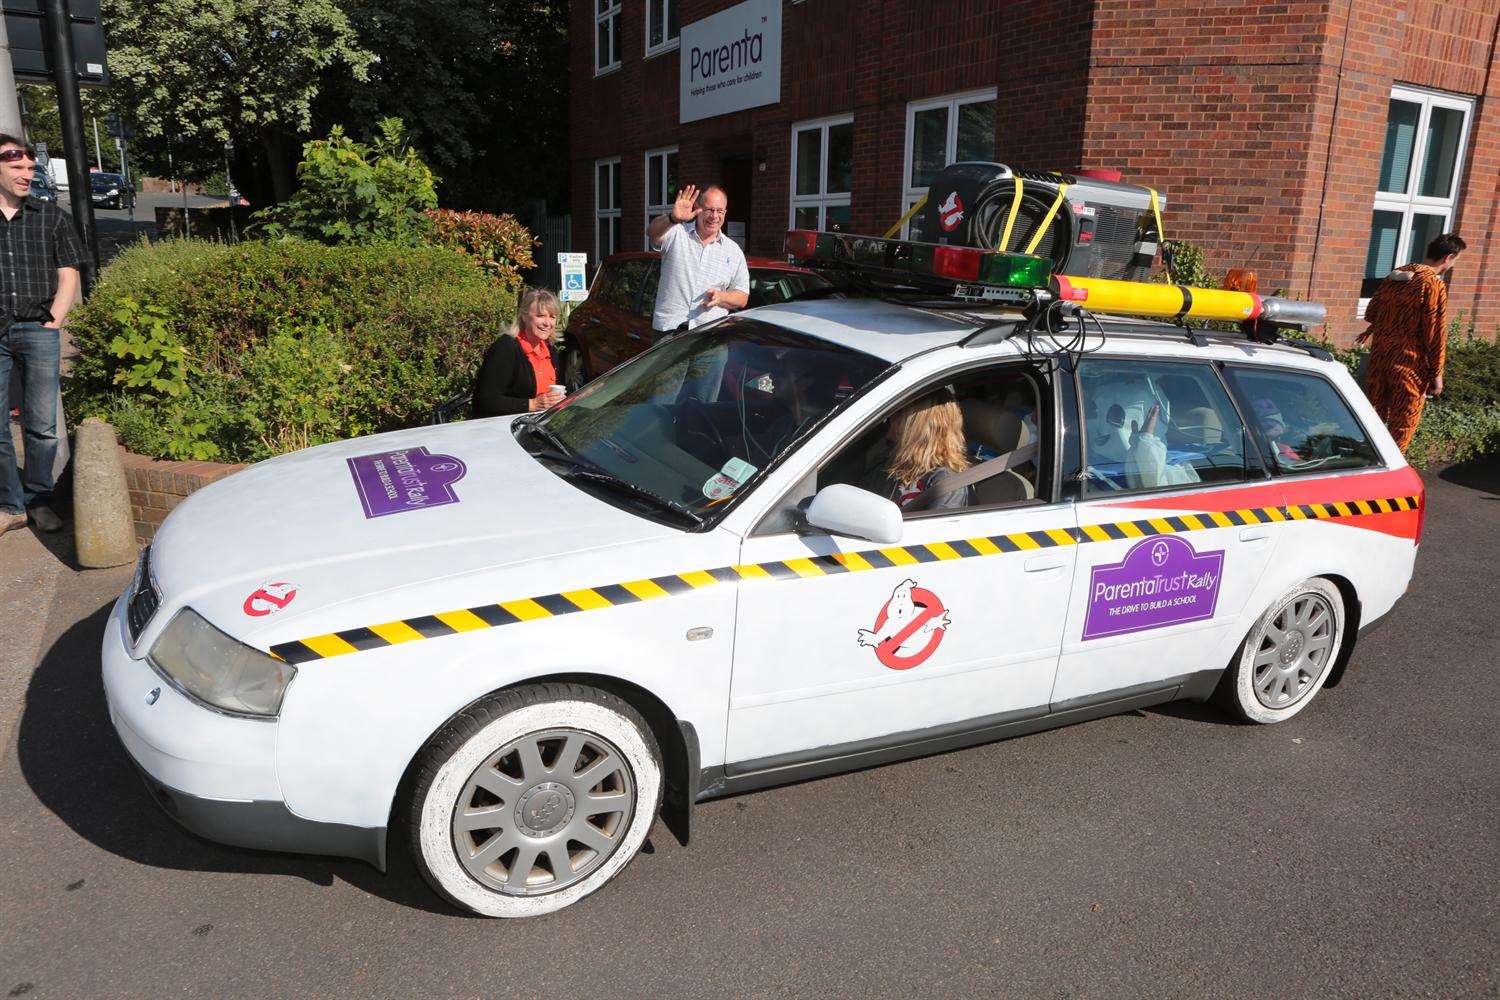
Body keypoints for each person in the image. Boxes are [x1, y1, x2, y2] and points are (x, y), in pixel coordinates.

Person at [0, 134, 85, 538]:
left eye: (30, 168)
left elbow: (69, 271)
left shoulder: (50, 216)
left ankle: (38, 500)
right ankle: (11, 505)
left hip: (38, 328)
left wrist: (57, 317)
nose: (26, 175)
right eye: (17, 168)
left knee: (42, 424)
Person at [1357, 232, 1466, 451]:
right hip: (1408, 365)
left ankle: (1364, 467)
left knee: (1371, 421)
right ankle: (1391, 475)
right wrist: (1437, 375)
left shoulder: (1396, 276)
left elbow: (1371, 313)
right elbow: (1435, 334)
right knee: (1403, 425)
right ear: (1449, 257)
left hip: (1380, 359)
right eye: (1455, 261)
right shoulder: (1432, 284)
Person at [646, 183, 750, 336]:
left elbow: (742, 296)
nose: (714, 216)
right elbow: (651, 232)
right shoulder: (676, 233)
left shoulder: (733, 251)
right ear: (698, 208)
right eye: (709, 210)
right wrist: (672, 218)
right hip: (670, 334)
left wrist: (722, 297)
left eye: (720, 211)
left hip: (710, 338)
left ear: (725, 212)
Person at [473, 288, 566, 418]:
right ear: (524, 316)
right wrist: (532, 404)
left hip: (541, 424)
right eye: (540, 316)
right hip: (507, 427)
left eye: (552, 317)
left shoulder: (550, 349)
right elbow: (485, 400)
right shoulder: (506, 348)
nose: (547, 323)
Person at [884, 393, 971, 513]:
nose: (891, 419)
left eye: (900, 414)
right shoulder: (901, 469)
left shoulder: (946, 481)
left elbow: (937, 529)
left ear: (916, 428)